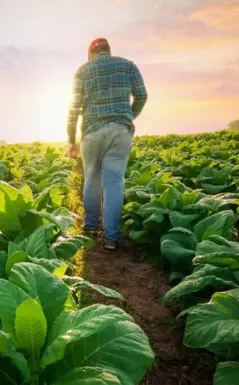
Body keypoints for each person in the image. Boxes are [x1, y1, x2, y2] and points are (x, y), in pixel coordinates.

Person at [66, 37, 148, 251]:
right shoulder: (128, 65)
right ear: (108, 51)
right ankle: (111, 239)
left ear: (91, 54)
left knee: (92, 178)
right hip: (119, 131)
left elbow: (74, 107)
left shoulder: (83, 70)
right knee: (114, 183)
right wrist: (128, 116)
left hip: (92, 132)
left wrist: (70, 140)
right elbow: (142, 95)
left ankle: (91, 228)